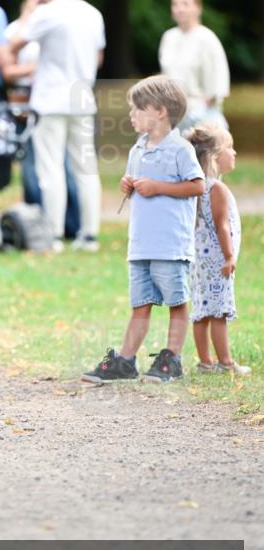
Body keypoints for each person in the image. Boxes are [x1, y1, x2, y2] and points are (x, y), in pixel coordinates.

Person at [82, 76, 205, 385]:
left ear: (160, 111)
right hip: (141, 244)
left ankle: (171, 359)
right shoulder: (138, 148)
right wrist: (128, 185)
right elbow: (136, 183)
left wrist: (158, 187)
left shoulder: (180, 149)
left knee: (176, 303)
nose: (131, 115)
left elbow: (198, 185)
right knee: (140, 305)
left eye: (138, 109)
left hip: (170, 245)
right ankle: (125, 360)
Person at [8, 0, 104, 253]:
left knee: (50, 169)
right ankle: (89, 234)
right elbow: (98, 57)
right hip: (83, 97)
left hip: (50, 99)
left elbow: (14, 44)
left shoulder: (46, 13)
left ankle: (53, 233)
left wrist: (31, 11)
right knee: (86, 168)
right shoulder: (93, 13)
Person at [2, 0, 81, 238]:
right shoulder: (16, 30)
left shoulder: (56, 28)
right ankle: (36, 222)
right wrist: (38, 69)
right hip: (23, 107)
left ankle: (69, 223)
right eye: (37, 1)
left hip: (50, 104)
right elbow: (7, 69)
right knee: (31, 170)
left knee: (63, 168)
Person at [185, 125, 250, 375]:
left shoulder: (194, 187)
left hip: (198, 262)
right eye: (229, 148)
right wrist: (230, 255)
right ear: (213, 157)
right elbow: (223, 227)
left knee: (201, 311)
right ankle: (225, 362)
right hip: (217, 261)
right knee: (219, 311)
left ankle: (205, 362)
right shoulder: (217, 189)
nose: (234, 153)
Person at [159, 0, 230, 130]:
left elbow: (218, 84)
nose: (179, 9)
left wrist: (199, 110)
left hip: (202, 114)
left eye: (185, 4)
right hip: (174, 115)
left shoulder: (207, 39)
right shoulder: (168, 37)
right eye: (175, 4)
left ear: (198, 7)